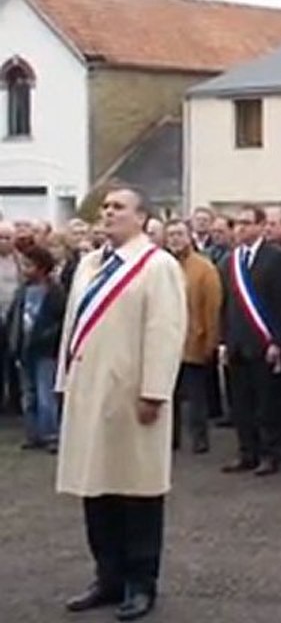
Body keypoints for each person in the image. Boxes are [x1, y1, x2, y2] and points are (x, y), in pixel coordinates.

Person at [56, 186, 187, 621]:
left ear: (141, 217)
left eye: (119, 207)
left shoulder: (157, 265)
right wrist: (64, 381)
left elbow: (165, 331)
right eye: (106, 206)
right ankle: (107, 577)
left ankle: (140, 583)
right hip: (88, 391)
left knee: (137, 491)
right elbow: (72, 327)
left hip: (131, 395)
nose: (108, 212)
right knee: (96, 489)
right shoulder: (90, 264)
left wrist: (155, 391)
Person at [218, 206, 281, 477]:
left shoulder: (276, 258)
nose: (241, 228)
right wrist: (223, 340)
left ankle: (269, 454)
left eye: (247, 223)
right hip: (236, 342)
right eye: (237, 223)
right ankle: (246, 452)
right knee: (241, 404)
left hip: (263, 341)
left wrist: (277, 340)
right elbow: (225, 304)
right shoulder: (230, 261)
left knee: (266, 403)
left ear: (261, 226)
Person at [165, 220, 222, 455]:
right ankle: (171, 438)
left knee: (196, 395)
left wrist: (210, 340)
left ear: (189, 237)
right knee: (169, 395)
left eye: (179, 234)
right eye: (171, 235)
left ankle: (199, 438)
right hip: (167, 342)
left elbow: (212, 307)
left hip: (193, 339)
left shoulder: (204, 268)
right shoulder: (162, 266)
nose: (175, 239)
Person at [6, 245, 66, 452]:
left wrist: (47, 338)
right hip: (24, 349)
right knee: (29, 394)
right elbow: (14, 318)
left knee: (45, 393)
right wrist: (14, 342)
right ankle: (33, 433)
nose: (24, 269)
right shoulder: (22, 292)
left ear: (42, 268)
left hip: (45, 351)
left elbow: (61, 322)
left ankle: (51, 433)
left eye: (29, 265)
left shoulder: (55, 292)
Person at [0, 221, 21, 414]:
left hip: (15, 317)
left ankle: (15, 401)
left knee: (14, 359)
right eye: (1, 238)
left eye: (8, 238)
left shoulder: (20, 261)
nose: (4, 242)